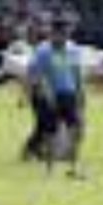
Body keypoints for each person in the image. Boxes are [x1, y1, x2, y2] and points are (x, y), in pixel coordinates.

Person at [28, 17, 86, 178]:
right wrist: (46, 94)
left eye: (66, 34)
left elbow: (76, 73)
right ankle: (49, 170)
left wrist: (81, 93)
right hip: (50, 95)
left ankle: (73, 167)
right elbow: (36, 75)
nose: (63, 37)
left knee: (76, 129)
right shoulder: (43, 51)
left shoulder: (73, 49)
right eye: (60, 34)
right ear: (53, 34)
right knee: (51, 133)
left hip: (69, 94)